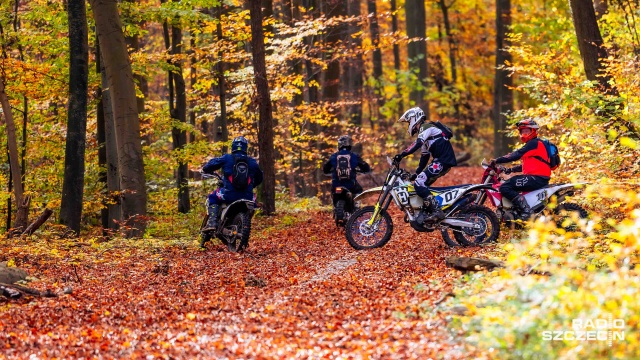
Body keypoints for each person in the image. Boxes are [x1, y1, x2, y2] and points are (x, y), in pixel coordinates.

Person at [394, 107, 457, 223]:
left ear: (414, 118)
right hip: (440, 162)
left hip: (442, 161)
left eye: (409, 121)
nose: (408, 124)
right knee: (421, 184)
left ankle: (437, 211)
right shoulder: (425, 133)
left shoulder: (426, 127)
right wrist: (416, 173)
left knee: (419, 182)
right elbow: (424, 157)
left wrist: (402, 154)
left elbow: (417, 144)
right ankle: (427, 211)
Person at [490, 119, 550, 220]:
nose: (524, 133)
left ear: (533, 131)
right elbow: (529, 165)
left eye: (527, 131)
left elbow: (516, 155)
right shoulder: (533, 144)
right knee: (510, 183)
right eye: (522, 131)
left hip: (537, 178)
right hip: (536, 177)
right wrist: (510, 170)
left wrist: (497, 160)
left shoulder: (534, 143)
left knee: (505, 187)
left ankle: (526, 210)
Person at [201, 136, 264, 231]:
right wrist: (251, 185)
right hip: (248, 196)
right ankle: (243, 225)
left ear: (233, 146)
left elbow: (210, 165)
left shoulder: (227, 158)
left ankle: (212, 222)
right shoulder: (252, 162)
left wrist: (205, 169)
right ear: (245, 147)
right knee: (253, 205)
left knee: (212, 197)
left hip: (228, 195)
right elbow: (260, 178)